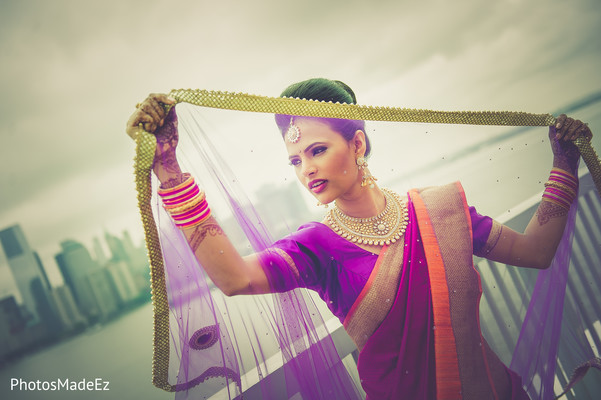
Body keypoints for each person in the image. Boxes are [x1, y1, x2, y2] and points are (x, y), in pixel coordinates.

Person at [126, 78, 593, 399]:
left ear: (358, 145)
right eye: (294, 160)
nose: (305, 168)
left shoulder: (440, 211)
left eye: (317, 150)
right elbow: (233, 279)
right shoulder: (316, 247)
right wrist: (169, 170)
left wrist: (563, 164)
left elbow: (536, 251)